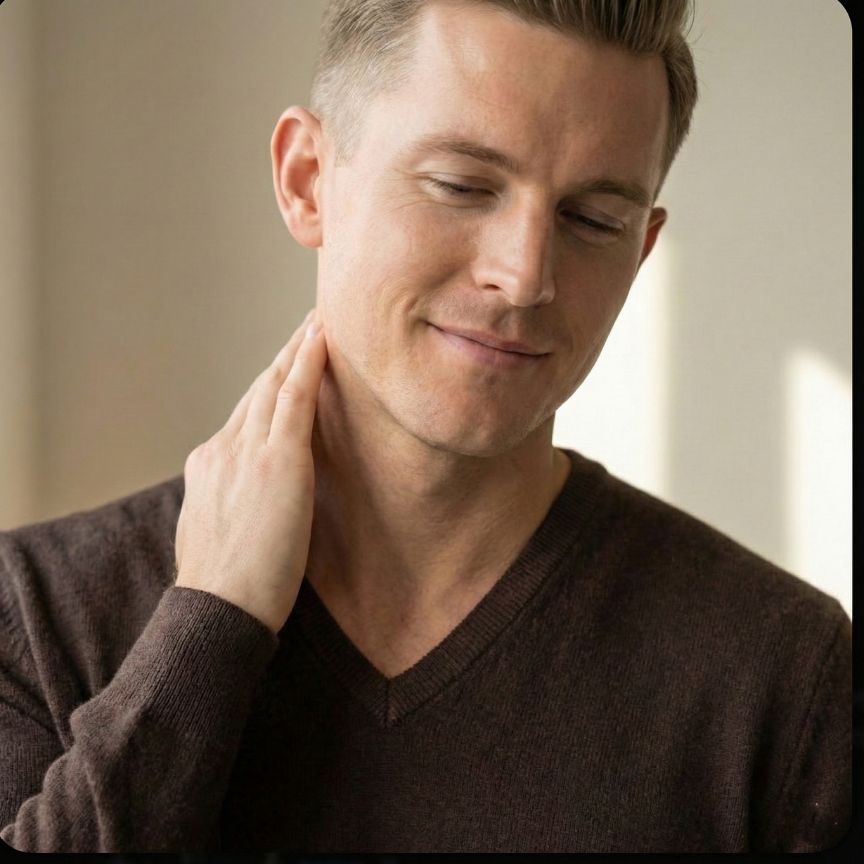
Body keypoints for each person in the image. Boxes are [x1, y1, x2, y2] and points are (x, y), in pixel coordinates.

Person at [0, 0, 850, 853]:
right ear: (307, 180)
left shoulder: (785, 677)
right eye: (462, 185)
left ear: (642, 250)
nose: (523, 277)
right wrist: (211, 625)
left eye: (593, 220)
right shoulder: (35, 614)